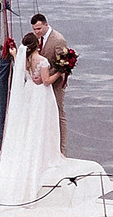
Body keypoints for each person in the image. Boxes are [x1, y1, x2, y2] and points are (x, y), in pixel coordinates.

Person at [24, 12, 77, 149]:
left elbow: (62, 64)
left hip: (54, 82)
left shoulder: (58, 40)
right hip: (38, 84)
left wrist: (45, 76)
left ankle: (61, 148)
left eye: (39, 29)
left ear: (46, 25)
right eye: (34, 29)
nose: (36, 32)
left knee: (58, 113)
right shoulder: (35, 39)